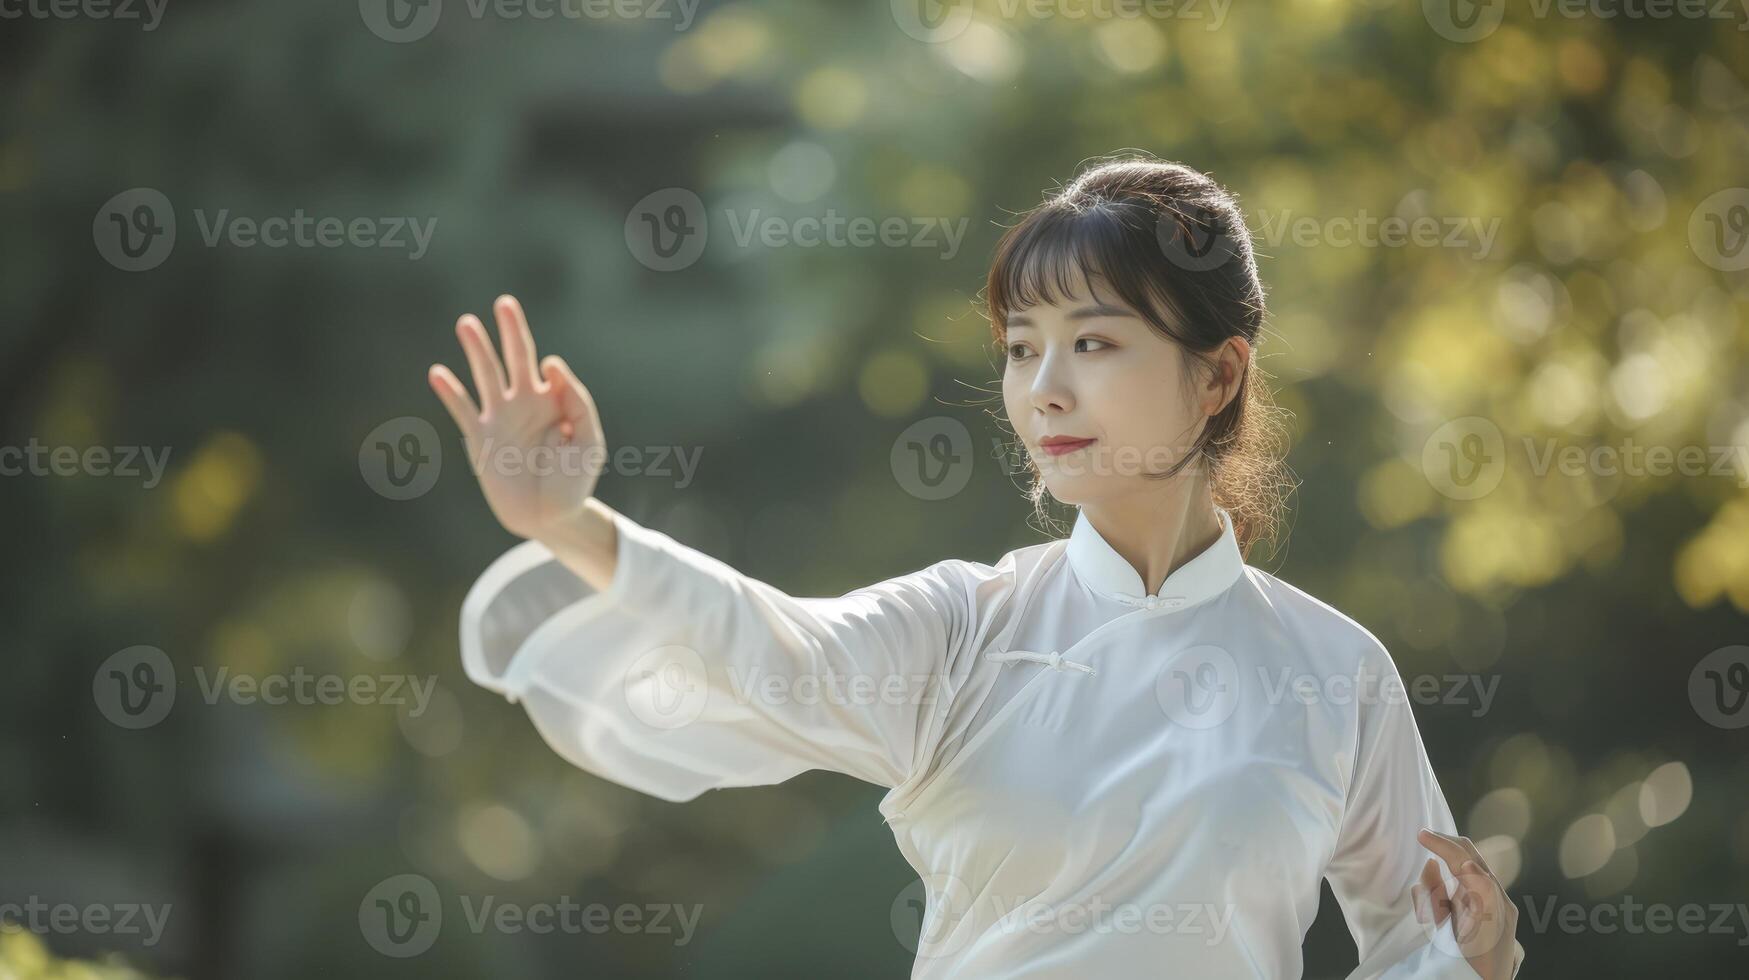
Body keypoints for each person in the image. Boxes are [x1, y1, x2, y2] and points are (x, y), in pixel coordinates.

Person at [427, 154, 1525, 979]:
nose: (1044, 386)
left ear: (1218, 375)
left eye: (1093, 342)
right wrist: (572, 524)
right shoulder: (964, 625)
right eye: (1018, 347)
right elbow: (773, 647)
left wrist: (1474, 958)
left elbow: (1411, 946)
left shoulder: (1334, 669)